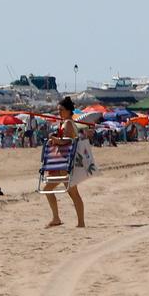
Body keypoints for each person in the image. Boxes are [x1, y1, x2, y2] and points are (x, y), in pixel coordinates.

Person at [44, 98, 89, 229]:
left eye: (61, 110)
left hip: (66, 162)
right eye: (58, 110)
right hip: (61, 162)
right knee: (48, 189)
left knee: (73, 193)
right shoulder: (67, 122)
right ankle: (56, 218)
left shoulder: (68, 123)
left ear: (68, 111)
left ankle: (81, 222)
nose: (59, 112)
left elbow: (68, 141)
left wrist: (56, 140)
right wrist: (56, 140)